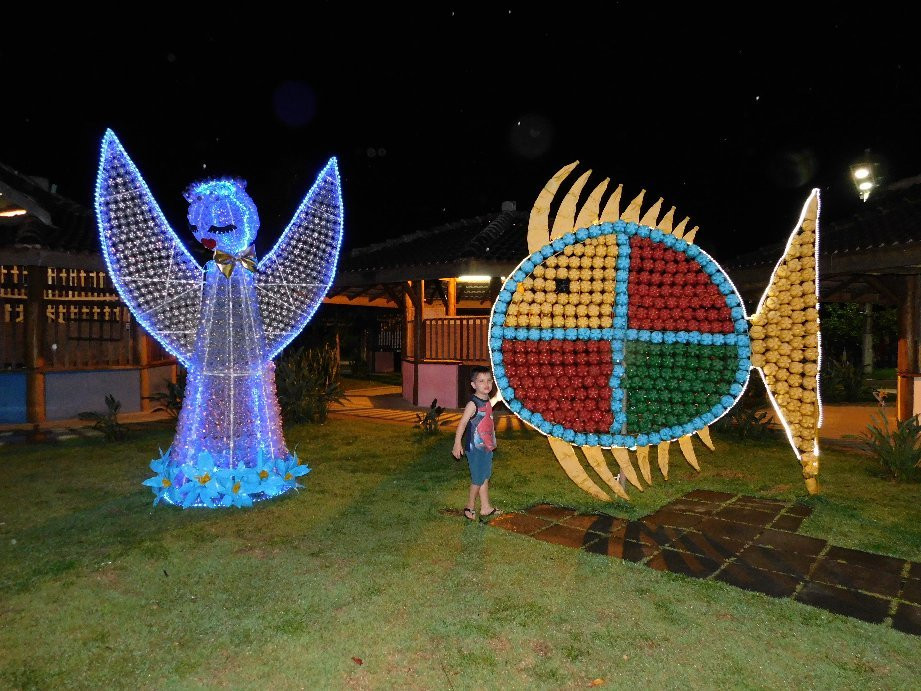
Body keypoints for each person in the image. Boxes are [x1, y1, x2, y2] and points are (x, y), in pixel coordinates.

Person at [452, 366, 502, 520]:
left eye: (489, 380)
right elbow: (462, 424)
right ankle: (469, 507)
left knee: (485, 476)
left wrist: (497, 397)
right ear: (473, 385)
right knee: (477, 479)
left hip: (486, 446)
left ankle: (485, 507)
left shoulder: (485, 400)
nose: (486, 384)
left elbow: (487, 409)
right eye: (481, 381)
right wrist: (457, 443)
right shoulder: (472, 404)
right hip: (475, 448)